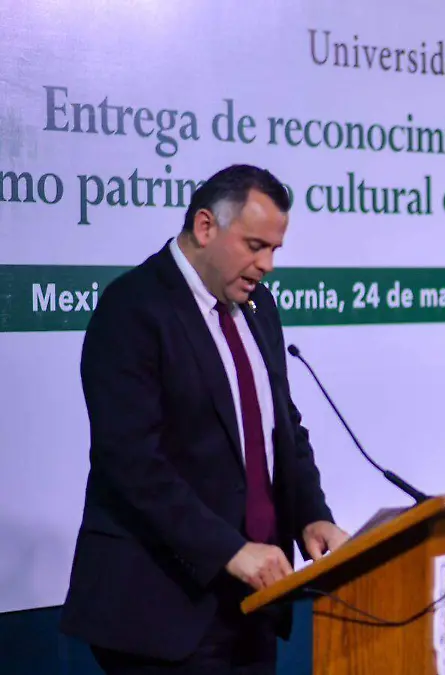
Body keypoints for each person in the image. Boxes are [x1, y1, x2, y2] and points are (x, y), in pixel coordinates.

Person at [60, 165, 348, 674]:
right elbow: (130, 461)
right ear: (205, 227)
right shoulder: (132, 308)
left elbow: (282, 427)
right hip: (160, 607)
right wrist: (228, 549)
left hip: (253, 601)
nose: (267, 264)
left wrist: (312, 513)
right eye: (255, 245)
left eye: (275, 250)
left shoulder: (259, 306)